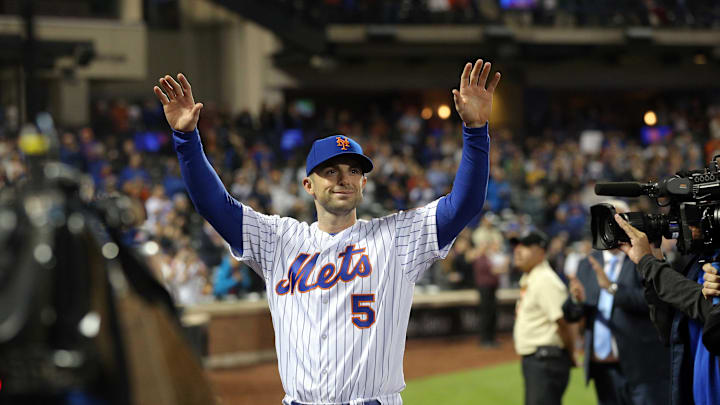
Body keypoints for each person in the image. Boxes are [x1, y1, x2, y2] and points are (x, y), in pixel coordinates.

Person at [153, 59, 501, 405]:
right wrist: (186, 139)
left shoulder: (397, 238)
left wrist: (475, 131)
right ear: (308, 184)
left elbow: (465, 204)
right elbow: (214, 205)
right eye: (330, 171)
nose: (343, 178)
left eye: (352, 171)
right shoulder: (279, 240)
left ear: (363, 183)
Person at [562, 200, 670, 405]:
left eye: (616, 221)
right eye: (604, 221)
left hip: (642, 368)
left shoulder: (644, 258)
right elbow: (571, 313)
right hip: (602, 369)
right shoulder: (587, 264)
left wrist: (611, 288)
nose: (609, 227)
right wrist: (575, 300)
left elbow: (656, 301)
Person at [614, 215, 719, 405]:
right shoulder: (698, 263)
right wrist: (654, 257)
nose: (684, 224)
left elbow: (708, 309)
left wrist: (648, 263)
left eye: (692, 215)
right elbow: (668, 329)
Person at [512, 229, 575, 405]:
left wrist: (570, 353)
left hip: (546, 361)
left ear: (540, 252)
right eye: (517, 246)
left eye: (525, 246)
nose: (517, 250)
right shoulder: (531, 277)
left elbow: (562, 322)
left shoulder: (545, 279)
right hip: (540, 360)